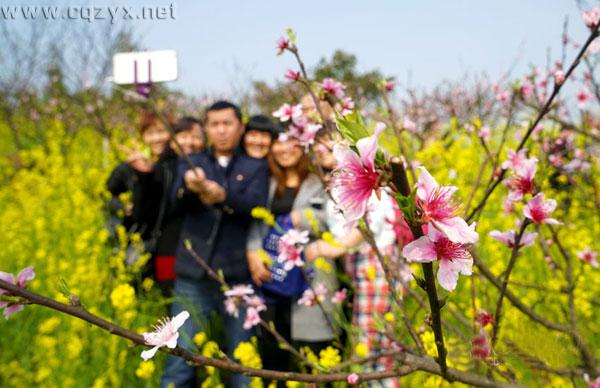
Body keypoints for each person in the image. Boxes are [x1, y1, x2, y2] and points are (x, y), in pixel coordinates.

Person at [161, 101, 269, 388]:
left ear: (240, 127)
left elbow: (256, 205)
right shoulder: (194, 161)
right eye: (214, 124)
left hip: (238, 277)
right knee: (179, 359)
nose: (221, 131)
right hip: (193, 275)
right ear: (206, 128)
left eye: (227, 124)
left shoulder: (256, 166)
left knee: (243, 363)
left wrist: (223, 196)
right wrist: (190, 184)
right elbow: (176, 198)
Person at [304, 128, 413, 388]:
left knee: (371, 350)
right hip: (364, 266)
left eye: (328, 145)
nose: (320, 150)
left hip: (376, 263)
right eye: (316, 147)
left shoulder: (361, 177)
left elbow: (370, 221)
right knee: (376, 348)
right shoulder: (337, 179)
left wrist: (333, 248)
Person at [246, 132, 338, 379]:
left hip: (309, 276)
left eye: (292, 141)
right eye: (279, 141)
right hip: (271, 278)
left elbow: (335, 221)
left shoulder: (320, 180)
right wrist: (253, 252)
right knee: (272, 352)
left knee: (315, 355)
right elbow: (256, 223)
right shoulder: (267, 182)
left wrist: (304, 218)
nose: (284, 148)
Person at [132, 116, 206, 295]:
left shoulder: (209, 166)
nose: (188, 142)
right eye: (182, 136)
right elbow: (147, 211)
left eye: (195, 136)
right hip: (168, 246)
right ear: (172, 140)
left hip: (198, 249)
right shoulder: (162, 167)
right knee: (170, 297)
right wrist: (145, 176)